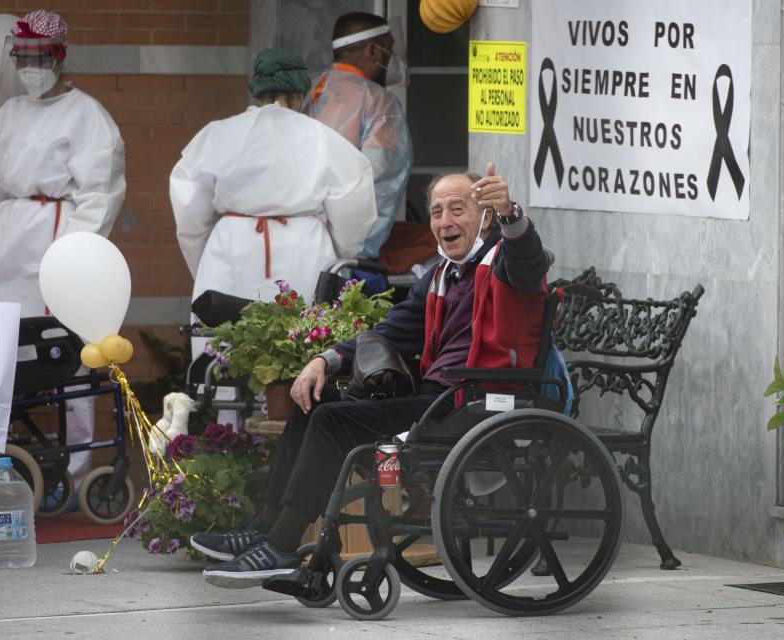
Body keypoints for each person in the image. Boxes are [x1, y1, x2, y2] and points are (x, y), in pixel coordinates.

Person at [190, 162, 550, 587]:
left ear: (484, 215)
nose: (445, 221)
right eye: (436, 212)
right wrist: (325, 360)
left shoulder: (506, 264)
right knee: (313, 401)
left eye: (459, 208)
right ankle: (267, 528)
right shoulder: (439, 277)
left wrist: (511, 213)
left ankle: (283, 545)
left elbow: (529, 260)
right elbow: (389, 332)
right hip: (437, 398)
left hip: (475, 400)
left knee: (332, 420)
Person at [0, 10, 126, 489]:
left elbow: (99, 194)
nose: (30, 68)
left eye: (39, 58)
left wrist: (77, 256)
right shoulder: (8, 115)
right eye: (22, 59)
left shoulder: (87, 114)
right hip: (4, 244)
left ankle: (78, 467)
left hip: (56, 239)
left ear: (60, 56)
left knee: (67, 352)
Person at [170, 47, 377, 312]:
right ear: (301, 95)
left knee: (225, 342)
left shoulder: (216, 135)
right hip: (304, 250)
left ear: (257, 90)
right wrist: (336, 251)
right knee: (301, 339)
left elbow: (189, 216)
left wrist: (204, 262)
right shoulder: (323, 138)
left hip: (231, 251)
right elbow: (354, 213)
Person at [304, 12, 412, 260]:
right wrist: (359, 250)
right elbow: (382, 184)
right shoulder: (380, 102)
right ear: (373, 51)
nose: (393, 60)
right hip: (348, 256)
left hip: (298, 239)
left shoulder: (310, 90)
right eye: (389, 51)